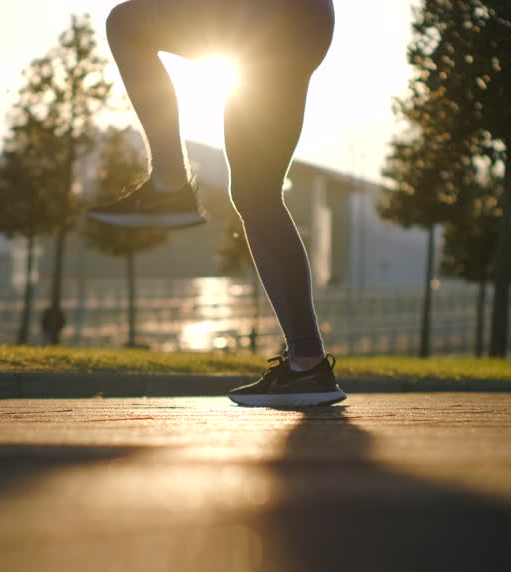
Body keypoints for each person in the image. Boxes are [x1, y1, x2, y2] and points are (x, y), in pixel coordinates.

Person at [89, 0, 346, 408]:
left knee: (126, 24)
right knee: (256, 196)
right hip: (303, 25)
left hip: (266, 17)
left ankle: (170, 183)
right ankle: (308, 365)